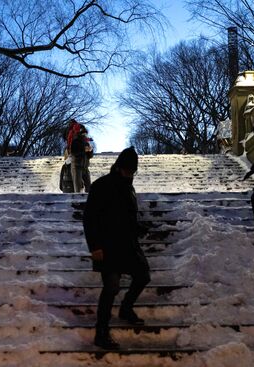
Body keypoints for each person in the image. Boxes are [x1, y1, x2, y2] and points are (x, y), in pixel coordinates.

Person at [83, 147, 151, 350]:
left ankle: (126, 309)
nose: (130, 174)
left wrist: (139, 228)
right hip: (107, 246)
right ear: (119, 167)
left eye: (133, 171)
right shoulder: (101, 185)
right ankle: (101, 333)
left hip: (128, 245)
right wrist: (94, 247)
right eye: (128, 170)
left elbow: (127, 217)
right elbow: (89, 218)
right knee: (111, 287)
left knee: (143, 276)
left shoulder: (129, 188)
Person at [70, 125, 89, 193]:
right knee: (77, 188)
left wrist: (90, 151)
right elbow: (73, 153)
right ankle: (77, 202)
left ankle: (88, 202)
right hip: (77, 166)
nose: (85, 135)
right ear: (80, 134)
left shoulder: (86, 142)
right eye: (84, 133)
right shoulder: (75, 141)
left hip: (85, 166)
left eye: (86, 133)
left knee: (89, 187)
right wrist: (84, 150)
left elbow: (90, 156)